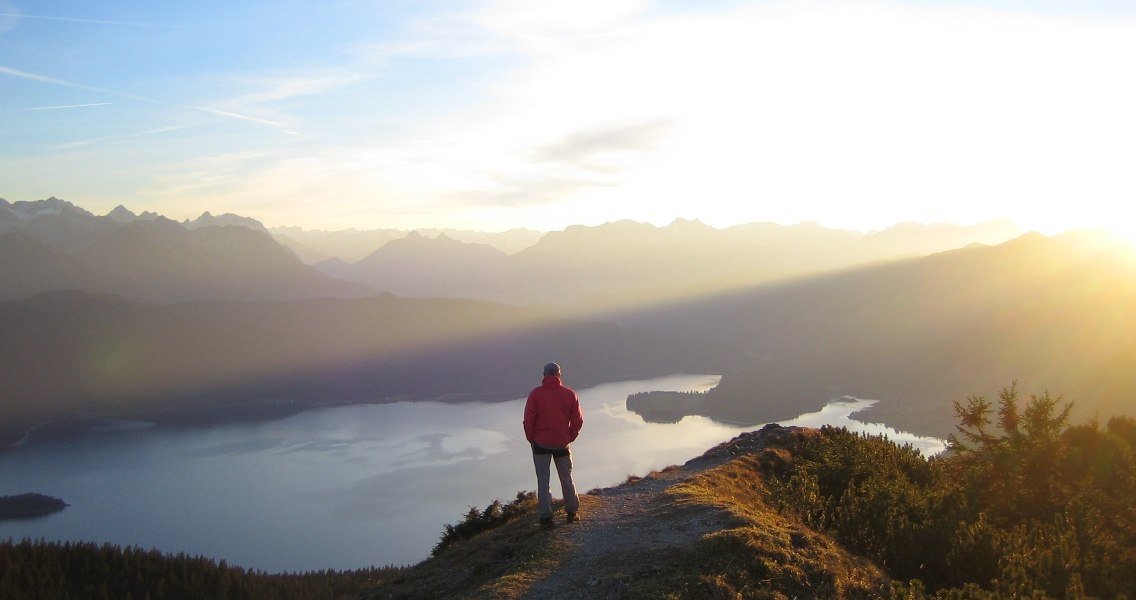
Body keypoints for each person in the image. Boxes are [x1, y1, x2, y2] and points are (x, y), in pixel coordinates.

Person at [523, 361, 584, 527]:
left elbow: (529, 420)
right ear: (559, 374)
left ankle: (546, 518)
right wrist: (570, 437)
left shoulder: (535, 394)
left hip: (540, 444)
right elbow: (578, 420)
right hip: (562, 443)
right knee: (566, 477)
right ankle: (572, 512)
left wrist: (531, 438)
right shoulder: (569, 394)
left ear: (544, 375)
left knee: (543, 481)